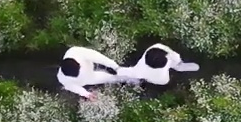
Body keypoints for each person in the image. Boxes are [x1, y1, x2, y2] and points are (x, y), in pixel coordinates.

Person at [56, 43, 199, 100]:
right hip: (90, 78)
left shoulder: (75, 53)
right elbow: (71, 86)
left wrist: (113, 66)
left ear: (77, 63)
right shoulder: (65, 79)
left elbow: (96, 56)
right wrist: (86, 93)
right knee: (109, 78)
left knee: (120, 73)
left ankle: (178, 66)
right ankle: (128, 79)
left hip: (155, 67)